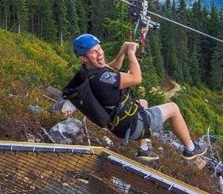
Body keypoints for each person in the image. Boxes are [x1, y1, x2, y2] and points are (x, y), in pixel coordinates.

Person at [71, 33, 206, 161]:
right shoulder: (102, 78)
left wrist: (122, 51)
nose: (100, 53)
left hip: (118, 126)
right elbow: (137, 78)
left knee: (142, 102)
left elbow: (112, 68)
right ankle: (191, 148)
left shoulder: (89, 73)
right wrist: (131, 54)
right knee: (173, 108)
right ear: (84, 58)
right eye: (93, 52)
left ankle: (144, 148)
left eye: (99, 48)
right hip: (132, 125)